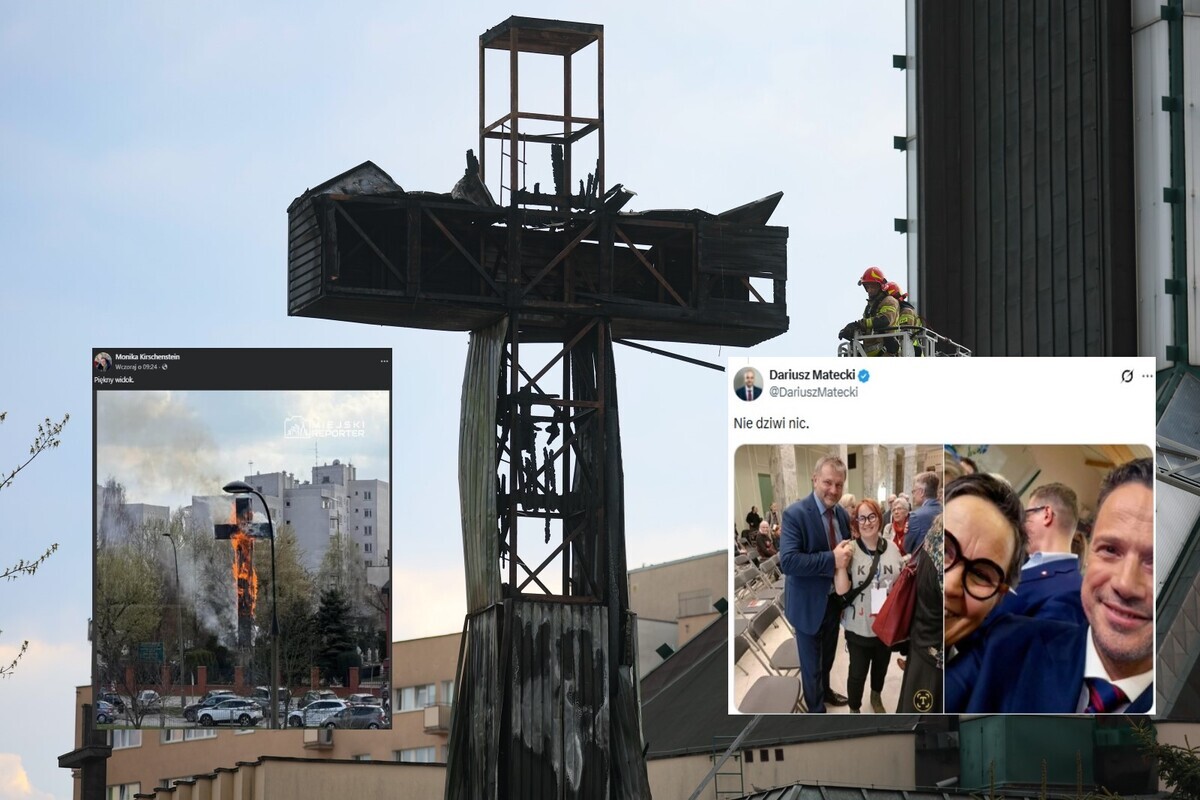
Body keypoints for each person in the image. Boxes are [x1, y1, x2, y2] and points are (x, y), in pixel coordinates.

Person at [948, 458, 1154, 713]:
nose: (1124, 584)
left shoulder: (1065, 593)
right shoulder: (1003, 643)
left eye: (1153, 562)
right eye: (1110, 549)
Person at [779, 455, 855, 712]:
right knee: (811, 666)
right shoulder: (795, 514)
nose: (833, 490)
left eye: (839, 485)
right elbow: (788, 562)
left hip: (833, 601)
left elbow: (845, 556)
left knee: (828, 657)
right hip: (807, 605)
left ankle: (826, 692)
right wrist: (830, 559)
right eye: (827, 482)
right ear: (814, 479)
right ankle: (816, 709)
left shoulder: (842, 515)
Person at [834, 499, 903, 713]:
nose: (867, 522)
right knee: (857, 672)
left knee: (881, 668)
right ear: (855, 522)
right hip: (859, 625)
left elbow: (900, 583)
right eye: (861, 518)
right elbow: (842, 591)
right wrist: (841, 567)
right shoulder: (850, 549)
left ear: (880, 519)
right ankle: (854, 707)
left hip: (885, 626)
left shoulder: (892, 548)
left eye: (872, 516)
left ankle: (876, 697)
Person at [989, 482, 1083, 621]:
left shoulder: (1071, 590)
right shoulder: (1023, 560)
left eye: (1027, 515)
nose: (1022, 524)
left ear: (1047, 515)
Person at [897, 514, 945, 713]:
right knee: (924, 716)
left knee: (913, 709)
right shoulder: (950, 555)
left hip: (921, 640)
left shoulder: (935, 534)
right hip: (935, 653)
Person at [838, 267, 899, 356]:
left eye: (873, 286)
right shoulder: (869, 307)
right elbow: (867, 327)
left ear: (881, 286)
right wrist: (852, 331)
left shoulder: (889, 301)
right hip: (872, 353)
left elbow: (884, 320)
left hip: (887, 353)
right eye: (867, 287)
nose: (869, 290)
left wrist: (858, 324)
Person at [904, 471, 942, 554]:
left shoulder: (916, 516)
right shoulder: (946, 510)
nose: (913, 495)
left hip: (922, 565)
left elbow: (907, 547)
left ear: (921, 492)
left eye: (914, 491)